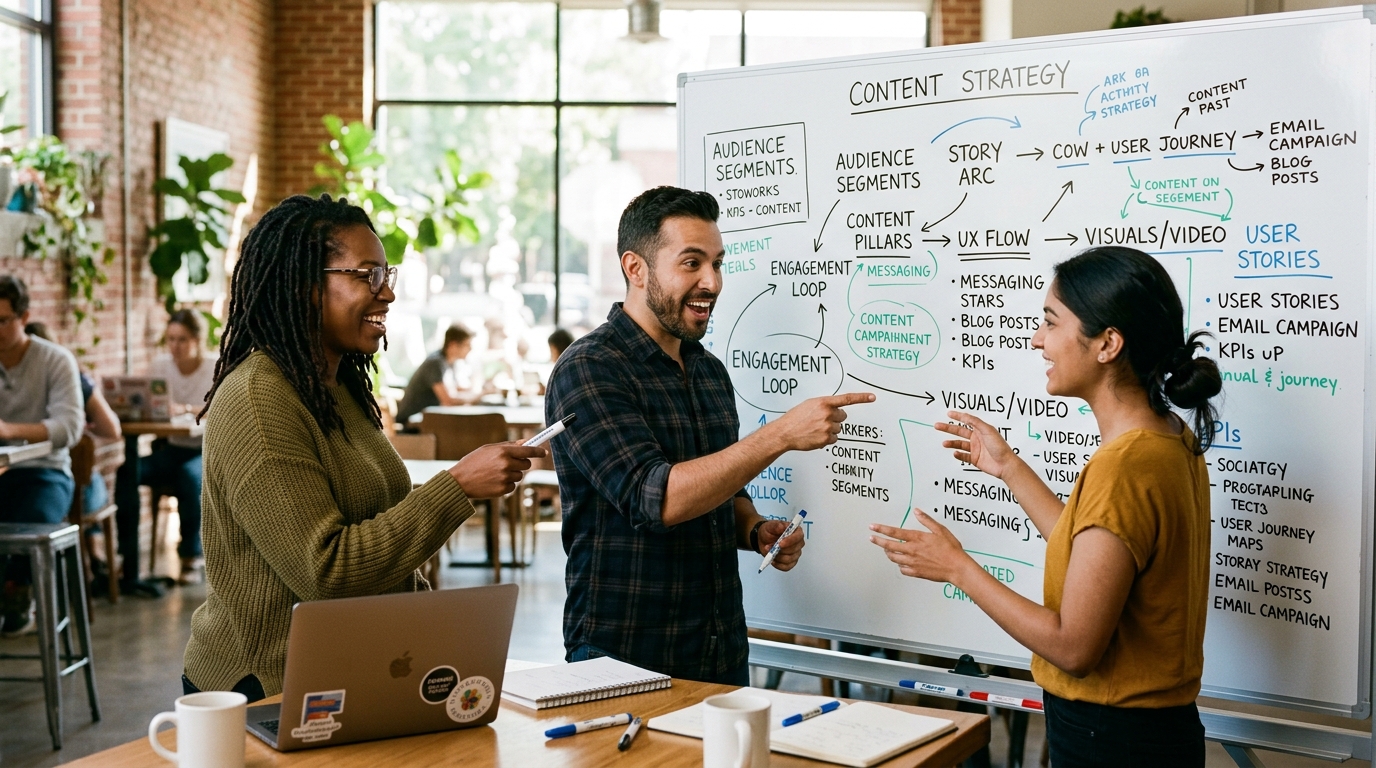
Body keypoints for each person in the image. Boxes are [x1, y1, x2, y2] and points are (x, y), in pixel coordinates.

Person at [869, 246, 1221, 767]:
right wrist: (1009, 466)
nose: (1037, 339)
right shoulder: (1167, 439)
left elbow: (1074, 646)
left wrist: (959, 569)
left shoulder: (1124, 467)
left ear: (1107, 344)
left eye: (1051, 322)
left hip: (1111, 740)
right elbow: (1096, 559)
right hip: (1155, 733)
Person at [181, 195, 543, 701]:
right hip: (267, 685)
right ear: (305, 285)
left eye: (387, 274)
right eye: (367, 275)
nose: (387, 293)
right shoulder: (259, 400)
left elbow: (379, 526)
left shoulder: (338, 389)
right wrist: (456, 486)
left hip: (350, 666)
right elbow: (326, 574)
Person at [544, 186, 873, 684]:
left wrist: (755, 530)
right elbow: (656, 498)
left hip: (717, 646)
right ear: (635, 269)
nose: (711, 282)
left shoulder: (709, 372)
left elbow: (724, 492)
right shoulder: (589, 369)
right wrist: (781, 434)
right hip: (623, 654)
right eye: (691, 263)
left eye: (717, 264)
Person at [0, 275, 83, 635]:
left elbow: (70, 428)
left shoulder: (55, 360)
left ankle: (17, 594)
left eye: (2, 320)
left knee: (32, 515)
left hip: (45, 474)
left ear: (23, 316)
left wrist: (10, 430)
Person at [142, 309, 216, 584]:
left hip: (203, 450)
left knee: (190, 477)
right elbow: (147, 400)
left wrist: (184, 408)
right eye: (171, 339)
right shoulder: (160, 367)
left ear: (197, 340)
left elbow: (220, 408)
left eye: (182, 339)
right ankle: (125, 558)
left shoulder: (214, 366)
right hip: (170, 448)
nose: (175, 346)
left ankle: (190, 557)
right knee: (129, 471)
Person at [24, 322, 121, 515]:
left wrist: (74, 426)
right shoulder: (79, 380)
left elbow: (113, 429)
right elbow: (111, 429)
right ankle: (85, 541)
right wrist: (86, 427)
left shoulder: (68, 378)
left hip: (56, 481)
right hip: (71, 486)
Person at [395, 324, 479, 428]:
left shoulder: (448, 363)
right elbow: (448, 400)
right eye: (467, 345)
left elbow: (455, 389)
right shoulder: (435, 363)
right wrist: (476, 397)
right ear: (453, 345)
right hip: (411, 425)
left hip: (427, 420)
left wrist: (481, 391)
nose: (470, 349)